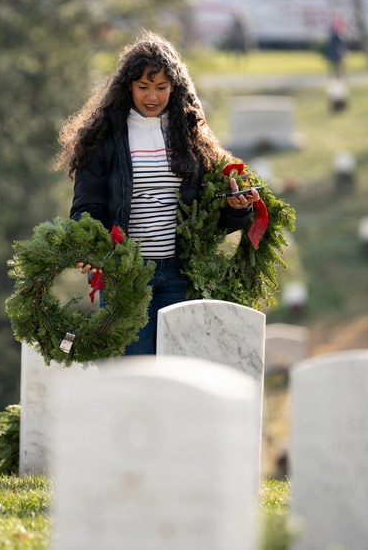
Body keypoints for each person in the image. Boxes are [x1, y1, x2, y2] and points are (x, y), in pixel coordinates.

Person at [55, 31, 258, 356]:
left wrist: (236, 209)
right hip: (127, 275)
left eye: (161, 87)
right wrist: (88, 245)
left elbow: (208, 219)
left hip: (180, 274)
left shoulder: (191, 136)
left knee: (176, 371)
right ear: (128, 87)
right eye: (143, 87)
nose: (152, 96)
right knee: (137, 371)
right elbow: (88, 205)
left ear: (174, 87)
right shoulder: (104, 138)